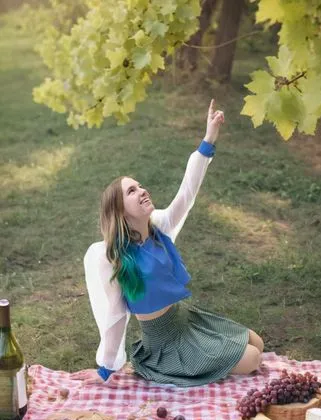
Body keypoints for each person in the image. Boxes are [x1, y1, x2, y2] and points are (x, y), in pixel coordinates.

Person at [79, 99, 264, 387]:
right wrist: (105, 368)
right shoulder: (114, 257)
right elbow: (114, 316)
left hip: (186, 320)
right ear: (119, 210)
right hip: (166, 343)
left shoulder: (159, 228)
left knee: (257, 343)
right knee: (252, 359)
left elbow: (186, 194)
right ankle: (166, 365)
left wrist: (208, 140)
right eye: (131, 190)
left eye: (140, 185)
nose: (142, 190)